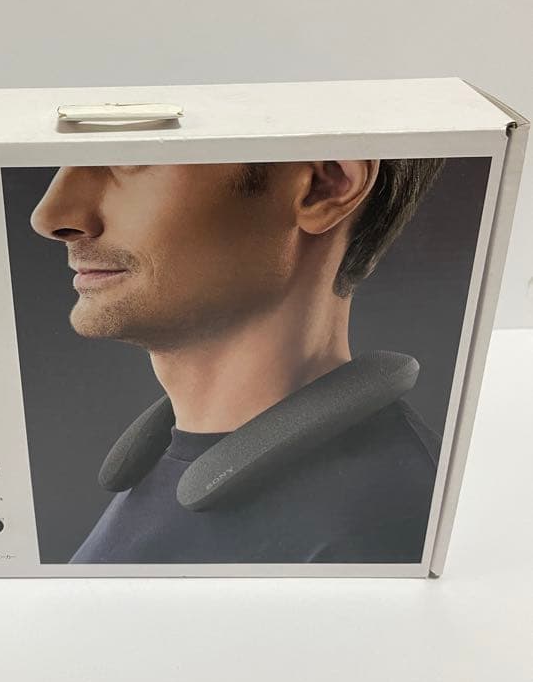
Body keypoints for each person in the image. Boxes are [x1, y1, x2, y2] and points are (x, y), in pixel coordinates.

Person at [30, 158, 445, 564]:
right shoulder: (165, 473)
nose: (49, 216)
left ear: (325, 186)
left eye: (129, 159)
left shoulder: (376, 526)